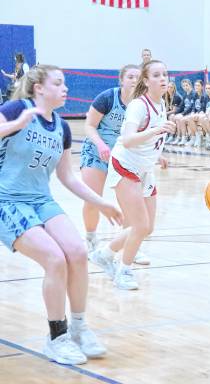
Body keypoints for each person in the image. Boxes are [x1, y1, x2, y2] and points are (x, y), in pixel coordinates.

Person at [0, 65, 123, 365]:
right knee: (54, 259)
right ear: (39, 88)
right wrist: (16, 123)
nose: (65, 88)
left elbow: (67, 177)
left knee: (78, 252)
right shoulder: (17, 108)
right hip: (8, 200)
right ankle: (57, 338)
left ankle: (80, 328)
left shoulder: (62, 127)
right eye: (58, 83)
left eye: (65, 83)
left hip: (42, 200)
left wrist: (101, 202)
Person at [89, 60, 175, 290]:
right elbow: (127, 140)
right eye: (156, 75)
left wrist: (158, 154)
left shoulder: (162, 103)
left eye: (165, 74)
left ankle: (104, 253)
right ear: (146, 81)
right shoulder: (138, 105)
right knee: (139, 225)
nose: (163, 78)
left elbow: (149, 139)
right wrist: (158, 129)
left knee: (148, 227)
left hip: (145, 168)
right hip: (125, 165)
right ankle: (123, 271)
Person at [80, 64, 140, 254]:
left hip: (123, 156)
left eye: (138, 77)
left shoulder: (142, 104)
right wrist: (101, 144)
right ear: (121, 80)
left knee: (130, 203)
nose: (134, 80)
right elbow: (89, 126)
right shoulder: (106, 98)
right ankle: (90, 239)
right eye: (130, 76)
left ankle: (129, 244)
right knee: (93, 199)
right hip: (96, 151)